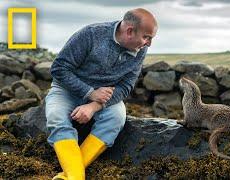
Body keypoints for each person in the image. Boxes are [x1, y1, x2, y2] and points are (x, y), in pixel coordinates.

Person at [45, 8, 158, 180]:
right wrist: (90, 93)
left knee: (116, 118)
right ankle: (76, 176)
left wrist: (94, 105)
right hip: (66, 90)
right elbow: (59, 69)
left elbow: (126, 86)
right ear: (129, 31)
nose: (148, 43)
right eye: (146, 37)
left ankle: (71, 174)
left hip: (104, 97)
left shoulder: (140, 49)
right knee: (56, 117)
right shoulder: (90, 35)